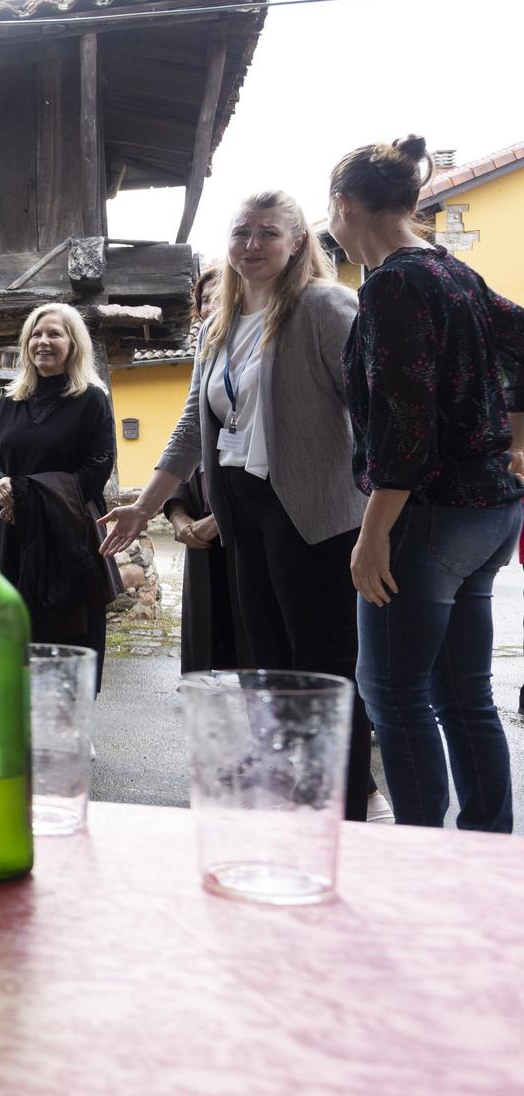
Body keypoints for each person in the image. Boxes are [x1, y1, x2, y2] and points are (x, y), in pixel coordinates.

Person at [100, 191, 378, 823]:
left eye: (268, 233)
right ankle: (291, 796)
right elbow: (192, 422)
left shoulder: (322, 306)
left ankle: (346, 812)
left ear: (297, 242)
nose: (252, 244)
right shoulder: (217, 323)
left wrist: (383, 507)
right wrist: (143, 507)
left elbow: (371, 407)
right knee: (269, 660)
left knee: (326, 665)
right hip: (245, 507)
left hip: (314, 507)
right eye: (241, 232)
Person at [332, 134, 524, 833]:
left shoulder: (392, 285)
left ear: (344, 205)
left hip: (430, 515)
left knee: (392, 690)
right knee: (463, 693)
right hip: (492, 510)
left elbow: (404, 425)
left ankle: (420, 861)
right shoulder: (452, 271)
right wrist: (514, 437)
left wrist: (373, 531)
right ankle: (486, 849)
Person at [0, 303, 120, 686]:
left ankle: (73, 722)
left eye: (55, 334)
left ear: (74, 344)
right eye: (37, 335)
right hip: (15, 532)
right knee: (19, 621)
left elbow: (96, 469)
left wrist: (23, 495)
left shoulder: (90, 399)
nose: (44, 341)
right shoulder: (10, 402)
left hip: (67, 531)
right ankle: (26, 719)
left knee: (71, 624)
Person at [162, 267, 238, 672]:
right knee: (207, 632)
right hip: (201, 537)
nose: (211, 307)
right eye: (205, 300)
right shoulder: (205, 369)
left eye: (219, 297)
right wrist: (178, 516)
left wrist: (218, 520)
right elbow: (189, 442)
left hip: (245, 529)